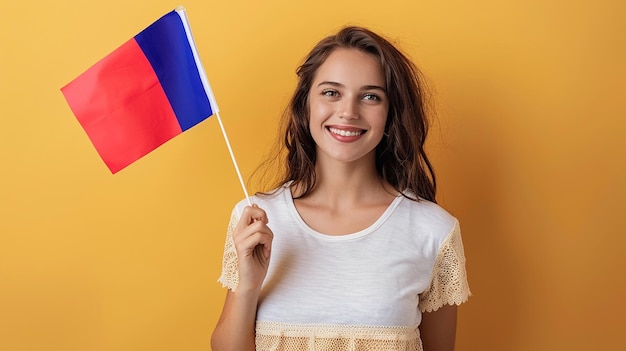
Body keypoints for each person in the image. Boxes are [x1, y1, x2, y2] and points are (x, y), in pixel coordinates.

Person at [211, 26, 470, 351]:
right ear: (306, 105)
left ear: (391, 114)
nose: (349, 111)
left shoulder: (434, 231)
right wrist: (248, 285)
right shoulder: (256, 219)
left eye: (370, 96)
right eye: (331, 92)